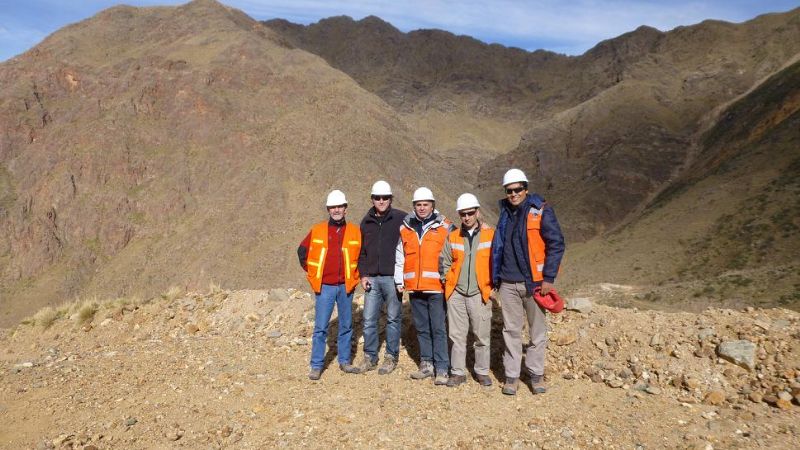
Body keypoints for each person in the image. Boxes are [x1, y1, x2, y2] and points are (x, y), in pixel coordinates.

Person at [492, 169, 565, 395]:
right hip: (507, 283)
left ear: (526, 189)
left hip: (534, 284)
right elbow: (499, 247)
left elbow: (556, 243)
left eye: (518, 189)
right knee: (511, 331)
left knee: (537, 331)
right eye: (509, 190)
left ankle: (536, 374)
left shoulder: (540, 211)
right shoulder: (505, 213)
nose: (513, 194)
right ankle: (512, 377)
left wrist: (548, 278)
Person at [297, 190, 362, 380]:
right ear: (328, 209)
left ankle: (345, 361)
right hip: (325, 286)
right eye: (333, 207)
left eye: (340, 206)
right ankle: (316, 365)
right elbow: (302, 251)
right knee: (321, 327)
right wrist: (312, 273)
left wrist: (357, 277)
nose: (336, 210)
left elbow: (362, 256)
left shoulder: (355, 231)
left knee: (346, 325)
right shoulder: (318, 230)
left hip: (346, 286)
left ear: (345, 208)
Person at [395, 187, 455, 385]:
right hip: (415, 288)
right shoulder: (406, 228)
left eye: (425, 204)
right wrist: (399, 280)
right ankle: (427, 364)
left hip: (437, 287)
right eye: (418, 205)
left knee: (438, 328)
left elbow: (455, 252)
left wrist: (450, 280)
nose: (422, 208)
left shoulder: (445, 226)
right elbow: (400, 255)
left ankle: (442, 368)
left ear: (432, 205)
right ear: (414, 206)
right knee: (421, 328)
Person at [439, 193, 495, 387]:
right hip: (457, 294)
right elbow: (444, 262)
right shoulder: (453, 237)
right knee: (456, 336)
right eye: (463, 214)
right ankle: (457, 372)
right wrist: (448, 283)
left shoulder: (490, 235)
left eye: (470, 213)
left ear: (477, 212)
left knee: (481, 336)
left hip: (480, 293)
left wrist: (493, 285)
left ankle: (482, 371)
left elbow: (497, 261)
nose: (467, 217)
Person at [356, 180, 407, 375]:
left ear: (391, 199)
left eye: (385, 197)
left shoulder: (401, 218)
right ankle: (370, 357)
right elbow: (361, 252)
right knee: (369, 319)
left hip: (393, 278)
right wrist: (363, 275)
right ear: (372, 199)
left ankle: (391, 357)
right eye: (377, 198)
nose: (381, 201)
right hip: (372, 279)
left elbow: (424, 218)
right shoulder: (366, 222)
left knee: (393, 319)